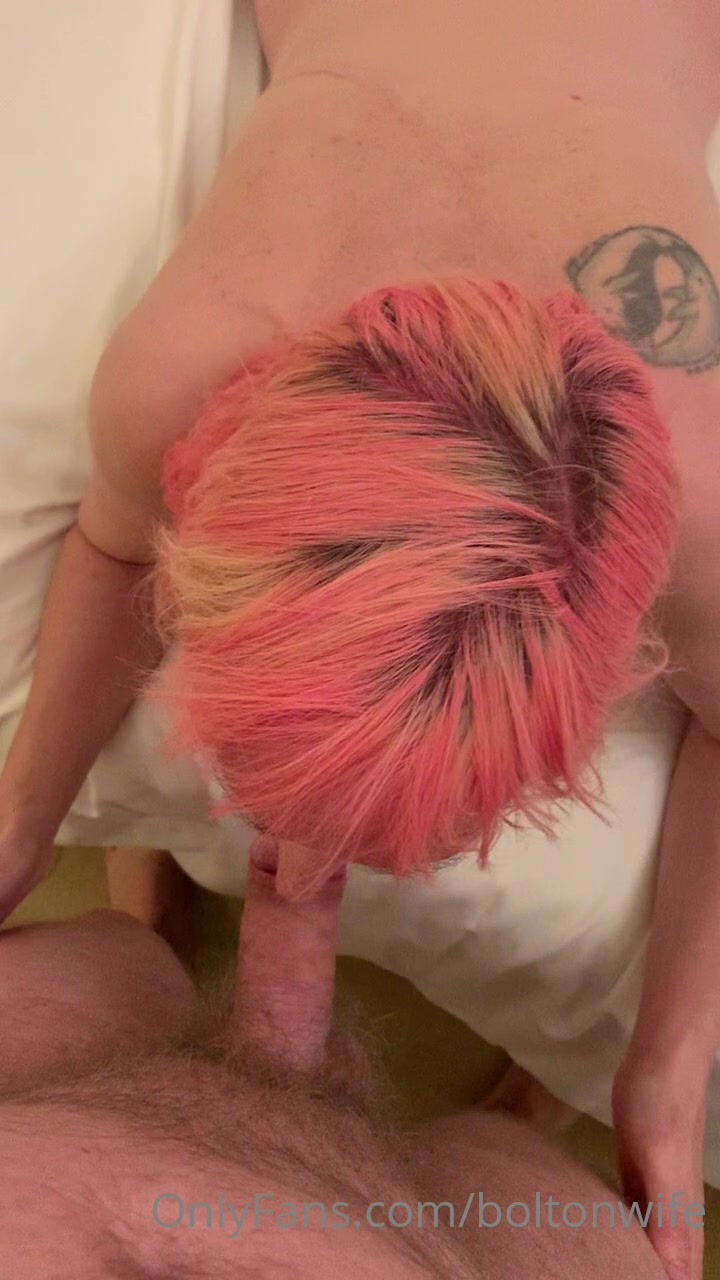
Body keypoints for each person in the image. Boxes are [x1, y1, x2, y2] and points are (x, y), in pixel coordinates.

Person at [0, 2, 719, 1276]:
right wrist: (21, 822)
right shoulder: (189, 355)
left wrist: (666, 1059)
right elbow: (114, 553)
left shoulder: (702, 481)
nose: (300, 854)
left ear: (631, 650)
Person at [0, 840, 667, 1279]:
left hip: (38, 1111)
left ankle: (153, 933)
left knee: (114, 960)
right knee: (517, 1171)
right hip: (456, 1254)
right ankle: (512, 1117)